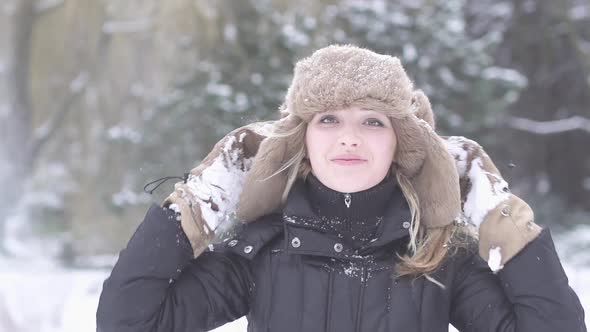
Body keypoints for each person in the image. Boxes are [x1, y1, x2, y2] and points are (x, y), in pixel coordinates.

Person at [96, 45, 586, 332]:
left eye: (372, 121)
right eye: (328, 118)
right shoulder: (260, 251)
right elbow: (129, 322)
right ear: (302, 140)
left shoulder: (439, 259)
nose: (349, 136)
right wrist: (195, 203)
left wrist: (500, 217)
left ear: (401, 143)